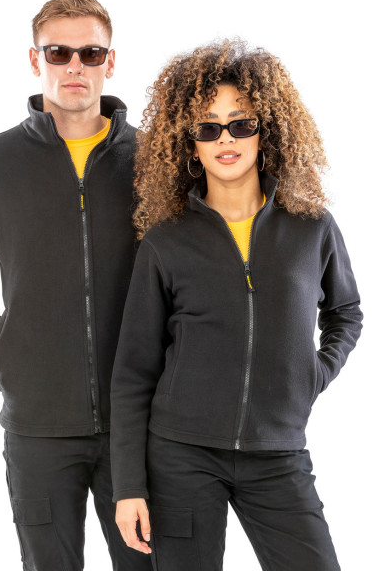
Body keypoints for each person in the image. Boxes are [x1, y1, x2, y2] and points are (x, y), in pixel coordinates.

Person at [110, 38, 363, 570]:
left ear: (264, 131)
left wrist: (312, 373)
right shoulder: (166, 241)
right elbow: (133, 371)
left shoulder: (311, 227)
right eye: (208, 127)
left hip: (278, 452)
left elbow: (345, 312)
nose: (225, 138)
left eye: (241, 123)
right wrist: (128, 486)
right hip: (181, 454)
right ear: (191, 144)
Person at [0, 0, 152, 571]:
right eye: (58, 52)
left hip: (142, 424)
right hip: (38, 427)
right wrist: (0, 342)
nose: (75, 65)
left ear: (110, 61)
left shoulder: (155, 161)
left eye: (90, 53)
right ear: (35, 60)